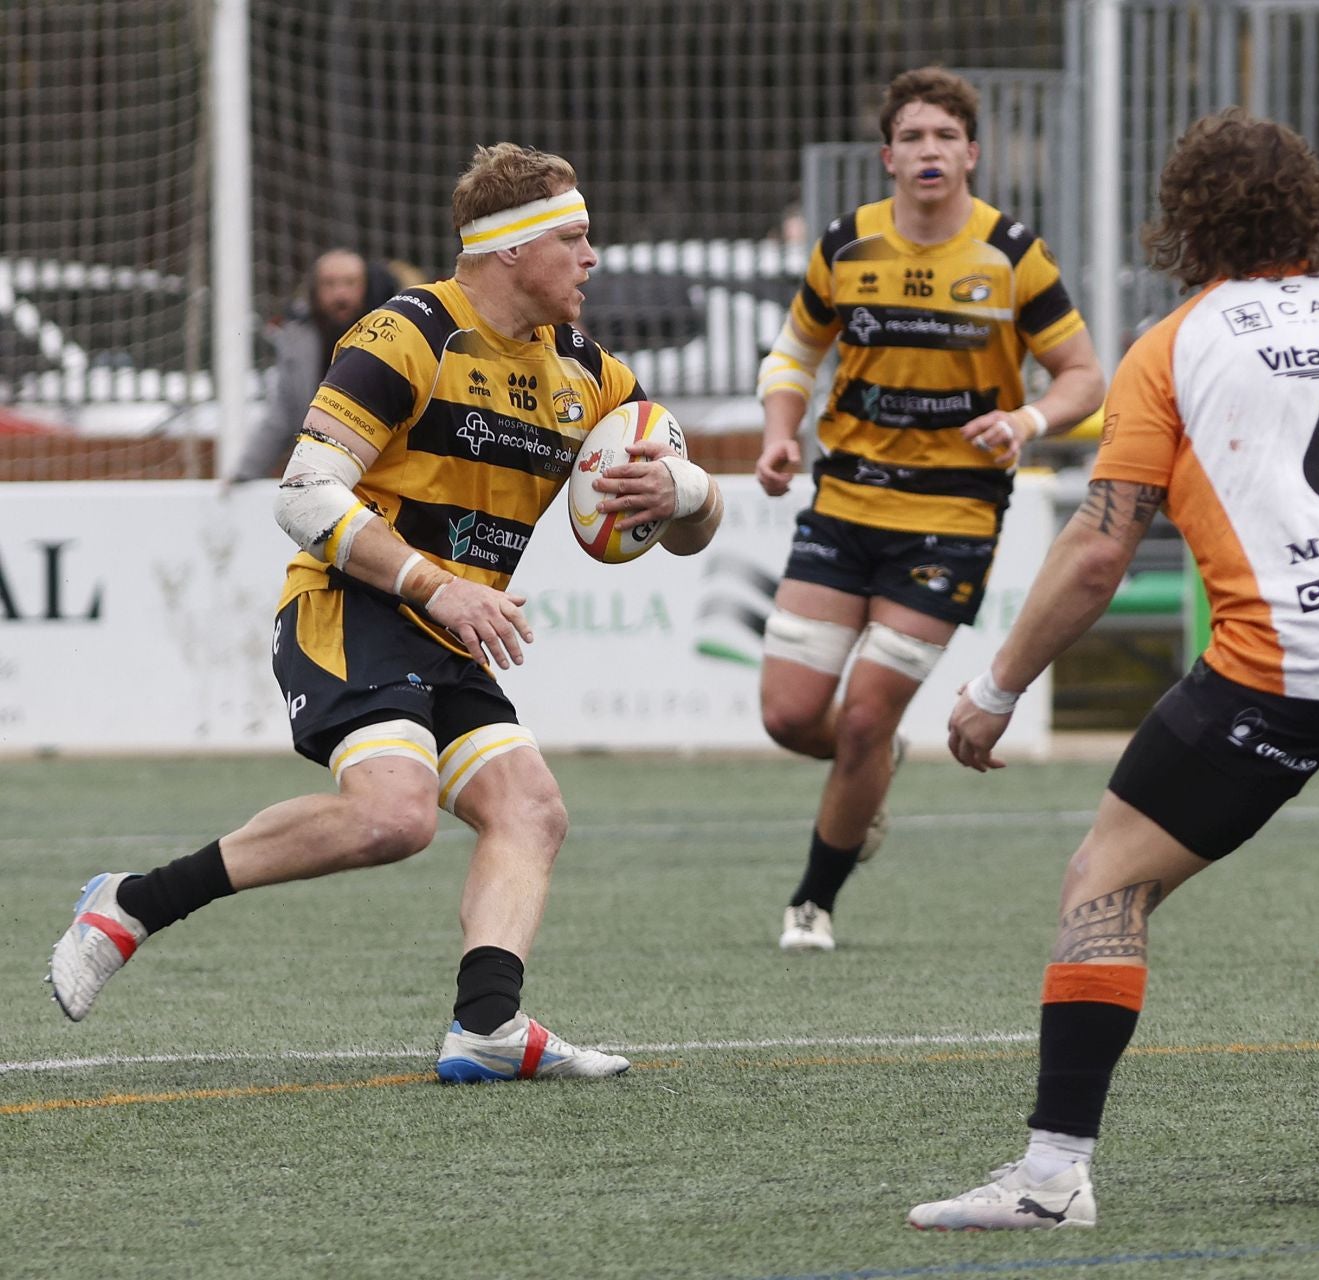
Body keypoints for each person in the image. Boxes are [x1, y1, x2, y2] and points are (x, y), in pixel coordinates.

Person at [906, 109, 1319, 1229]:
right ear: (1313, 205)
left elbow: (1101, 546)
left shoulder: (1178, 341)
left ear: (1184, 218)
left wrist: (994, 688)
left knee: (1106, 882)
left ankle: (1053, 1177)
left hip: (1282, 663)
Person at [47, 142, 725, 1081]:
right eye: (573, 237)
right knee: (393, 817)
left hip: (452, 632)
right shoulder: (404, 334)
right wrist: (433, 583)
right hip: (354, 607)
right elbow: (305, 492)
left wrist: (686, 494)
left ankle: (487, 1025)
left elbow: (687, 530)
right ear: (509, 251)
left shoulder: (591, 375)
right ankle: (131, 903)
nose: (592, 256)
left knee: (530, 809)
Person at [753, 66, 1105, 953]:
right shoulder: (846, 246)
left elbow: (1084, 377)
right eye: (913, 137)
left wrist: (1026, 419)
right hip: (844, 505)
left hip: (950, 517)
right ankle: (876, 770)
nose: (930, 151)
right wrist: (779, 432)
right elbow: (794, 353)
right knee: (792, 717)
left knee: (866, 715)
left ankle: (812, 902)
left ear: (972, 154)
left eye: (946, 137)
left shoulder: (1012, 255)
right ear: (887, 158)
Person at [229, 249, 406, 481]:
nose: (340, 293)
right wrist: (245, 472)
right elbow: (281, 414)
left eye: (350, 282)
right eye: (329, 283)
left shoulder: (395, 335)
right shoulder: (297, 341)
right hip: (322, 475)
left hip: (384, 476)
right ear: (315, 288)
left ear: (367, 286)